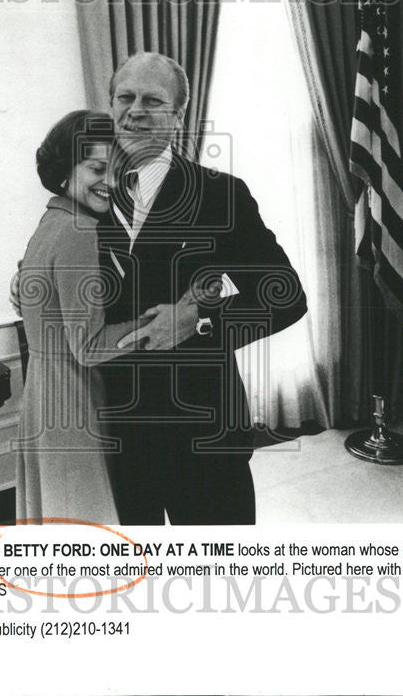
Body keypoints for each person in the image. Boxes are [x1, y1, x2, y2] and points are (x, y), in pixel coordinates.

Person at [95, 52, 307, 525]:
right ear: (110, 106)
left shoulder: (220, 194)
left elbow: (287, 294)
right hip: (116, 437)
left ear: (178, 115)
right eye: (124, 98)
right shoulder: (88, 197)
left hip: (205, 434)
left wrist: (199, 320)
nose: (135, 110)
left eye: (153, 100)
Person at [15, 110, 187, 525]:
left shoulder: (51, 220)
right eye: (96, 168)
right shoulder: (79, 230)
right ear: (63, 168)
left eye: (116, 171)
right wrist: (163, 320)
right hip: (73, 403)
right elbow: (89, 347)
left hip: (42, 396)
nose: (109, 182)